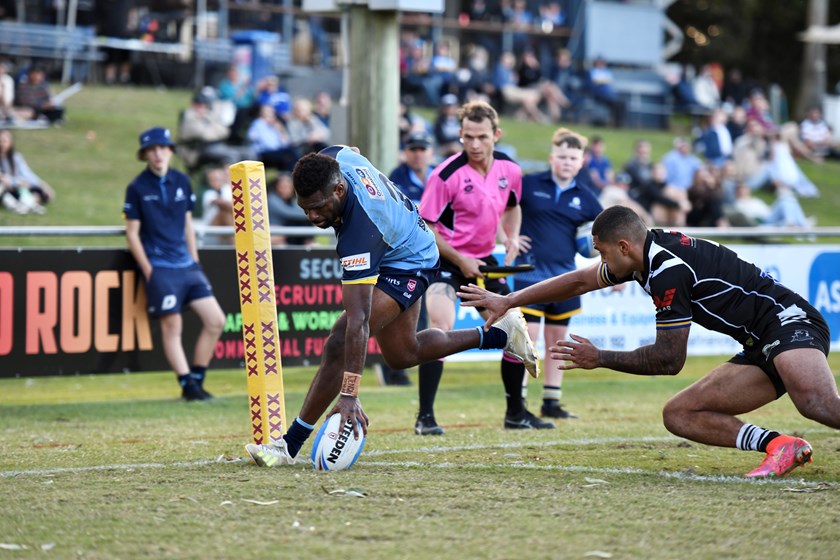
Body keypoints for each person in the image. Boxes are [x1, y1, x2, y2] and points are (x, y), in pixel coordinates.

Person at [460, 204, 838, 479]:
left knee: (817, 405)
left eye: (601, 250)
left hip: (790, 323)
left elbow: (670, 359)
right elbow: (578, 280)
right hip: (759, 344)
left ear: (623, 246)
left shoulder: (667, 270)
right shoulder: (645, 256)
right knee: (679, 414)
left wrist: (600, 357)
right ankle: (780, 446)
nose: (600, 259)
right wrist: (509, 300)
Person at [243, 146, 538, 467]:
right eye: (305, 208)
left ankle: (288, 446)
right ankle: (500, 335)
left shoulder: (360, 232)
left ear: (339, 189)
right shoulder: (337, 159)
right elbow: (350, 149)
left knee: (339, 339)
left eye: (318, 207)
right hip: (401, 239)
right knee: (403, 354)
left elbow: (359, 321)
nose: (313, 216)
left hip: (413, 259)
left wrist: (349, 394)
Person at [415, 100, 549, 436]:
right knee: (440, 328)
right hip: (444, 261)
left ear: (496, 135)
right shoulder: (445, 174)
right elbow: (426, 227)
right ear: (460, 134)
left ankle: (515, 414)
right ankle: (425, 418)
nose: (475, 144)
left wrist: (512, 236)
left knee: (515, 328)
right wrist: (461, 260)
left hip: (485, 263)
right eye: (468, 137)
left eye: (482, 137)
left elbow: (513, 207)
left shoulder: (511, 170)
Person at [122, 127, 226, 401]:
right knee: (173, 327)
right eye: (151, 150)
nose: (157, 154)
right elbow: (131, 233)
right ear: (145, 154)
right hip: (160, 267)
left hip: (187, 265)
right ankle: (186, 385)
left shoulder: (182, 180)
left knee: (216, 320)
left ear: (170, 150)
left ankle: (198, 378)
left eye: (162, 148)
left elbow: (188, 225)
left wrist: (195, 258)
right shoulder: (137, 187)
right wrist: (148, 269)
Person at [514, 128, 603, 420]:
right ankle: (518, 403)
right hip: (530, 275)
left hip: (566, 280)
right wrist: (510, 235)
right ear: (552, 158)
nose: (566, 161)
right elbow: (503, 208)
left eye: (573, 157)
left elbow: (607, 236)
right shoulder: (528, 184)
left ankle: (551, 402)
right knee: (528, 339)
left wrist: (611, 264)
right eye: (562, 156)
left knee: (558, 344)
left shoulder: (588, 199)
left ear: (581, 162)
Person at [0, 128, 54, 215]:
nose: (2, 144)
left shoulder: (15, 157)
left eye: (4, 141)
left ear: (11, 142)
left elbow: (27, 173)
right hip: (6, 189)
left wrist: (42, 184)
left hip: (18, 187)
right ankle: (27, 205)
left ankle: (26, 205)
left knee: (39, 192)